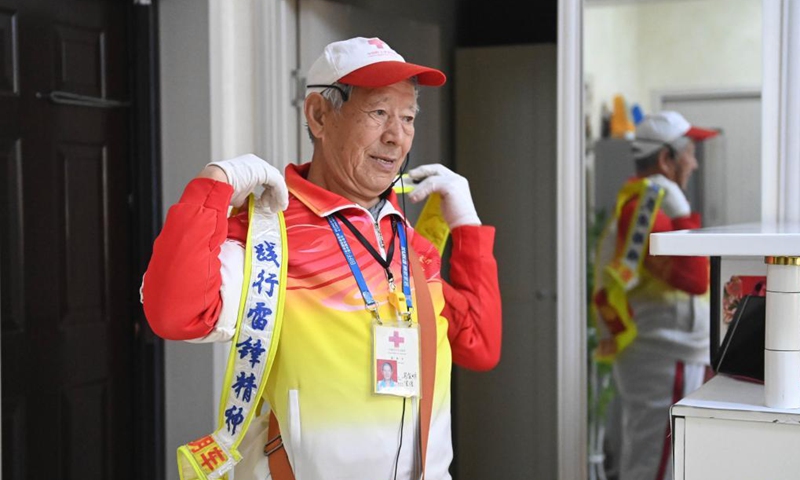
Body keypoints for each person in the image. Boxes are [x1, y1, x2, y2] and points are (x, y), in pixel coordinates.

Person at [142, 36, 502, 480]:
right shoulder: (270, 232)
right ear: (318, 115)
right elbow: (175, 315)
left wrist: (466, 224)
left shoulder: (403, 239)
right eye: (378, 113)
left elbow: (479, 347)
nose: (397, 136)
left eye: (407, 118)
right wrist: (213, 186)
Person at [592, 111, 717, 480]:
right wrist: (683, 215)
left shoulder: (646, 203)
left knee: (658, 458)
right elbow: (695, 279)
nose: (694, 163)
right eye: (690, 152)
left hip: (666, 352)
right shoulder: (648, 211)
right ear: (666, 159)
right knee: (657, 465)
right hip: (663, 355)